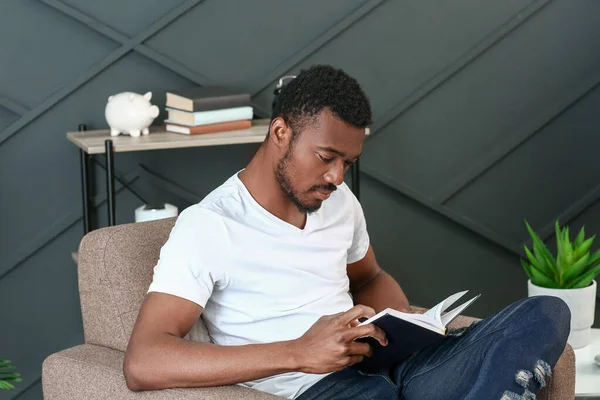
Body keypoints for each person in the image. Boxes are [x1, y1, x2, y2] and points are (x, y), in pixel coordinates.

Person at [123, 65, 571, 400]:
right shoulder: (210, 225)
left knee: (545, 314)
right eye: (326, 157)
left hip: (389, 368)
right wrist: (300, 352)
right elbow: (144, 361)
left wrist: (402, 329)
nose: (337, 177)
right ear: (280, 132)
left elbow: (370, 277)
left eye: (348, 163)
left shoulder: (338, 203)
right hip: (319, 389)